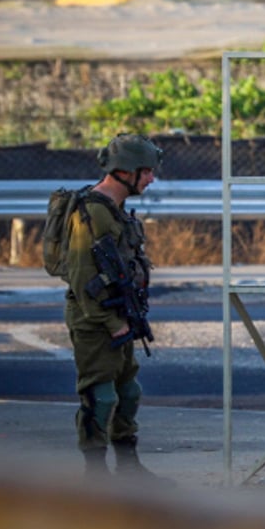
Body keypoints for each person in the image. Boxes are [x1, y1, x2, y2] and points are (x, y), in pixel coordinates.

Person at [64, 133, 165, 480]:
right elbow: (80, 277)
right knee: (100, 396)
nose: (151, 179)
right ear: (126, 171)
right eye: (147, 171)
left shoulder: (114, 209)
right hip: (95, 322)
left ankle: (128, 466)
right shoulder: (92, 212)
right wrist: (109, 322)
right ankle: (95, 474)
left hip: (119, 315)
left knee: (128, 392)